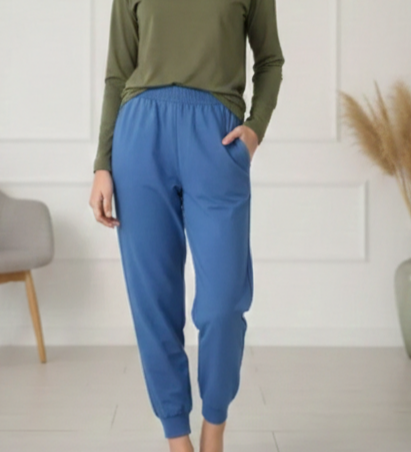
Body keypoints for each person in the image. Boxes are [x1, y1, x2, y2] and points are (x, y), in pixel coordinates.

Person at [89, 0, 284, 451]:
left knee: (223, 302)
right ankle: (177, 438)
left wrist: (255, 128)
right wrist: (103, 162)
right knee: (153, 302)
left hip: (216, 139)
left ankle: (214, 429)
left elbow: (270, 60)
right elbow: (118, 74)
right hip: (140, 138)